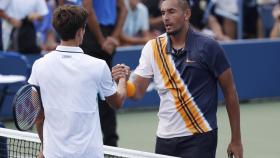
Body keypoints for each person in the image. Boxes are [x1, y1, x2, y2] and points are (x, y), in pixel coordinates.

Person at [112, 0, 243, 158]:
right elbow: (137, 92)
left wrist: (236, 139)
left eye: (171, 12)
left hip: (201, 137)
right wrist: (124, 82)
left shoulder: (209, 47)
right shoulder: (152, 48)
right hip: (164, 139)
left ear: (186, 14)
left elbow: (230, 92)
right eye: (163, 13)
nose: (165, 17)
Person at [29, 5, 127, 157]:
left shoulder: (39, 65)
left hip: (53, 154)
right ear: (81, 31)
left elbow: (38, 116)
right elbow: (117, 102)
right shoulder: (98, 66)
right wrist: (122, 79)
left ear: (57, 30)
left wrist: (45, 147)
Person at [59, 0, 127, 147]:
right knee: (106, 92)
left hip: (92, 35)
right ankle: (111, 144)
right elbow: (123, 9)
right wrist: (111, 38)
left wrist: (105, 40)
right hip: (99, 34)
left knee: (90, 92)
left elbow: (88, 10)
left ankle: (101, 142)